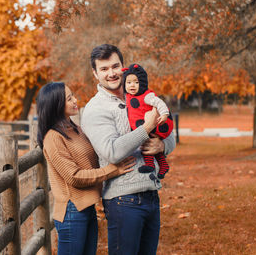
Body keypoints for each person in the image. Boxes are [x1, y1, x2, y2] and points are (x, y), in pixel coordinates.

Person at [81, 44, 176, 255]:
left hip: (151, 194)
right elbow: (111, 151)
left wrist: (162, 145)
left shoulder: (141, 95)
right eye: (104, 69)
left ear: (123, 67)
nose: (112, 73)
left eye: (115, 66)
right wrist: (147, 128)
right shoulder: (95, 109)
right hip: (123, 200)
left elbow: (170, 134)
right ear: (95, 74)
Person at [37, 82, 151, 254]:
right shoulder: (53, 138)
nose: (75, 100)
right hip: (71, 210)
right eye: (69, 98)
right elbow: (74, 176)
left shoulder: (76, 130)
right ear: (56, 104)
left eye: (73, 95)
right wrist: (113, 170)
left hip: (87, 207)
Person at [123, 63, 174, 179]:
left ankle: (150, 164)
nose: (132, 85)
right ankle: (163, 165)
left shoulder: (147, 96)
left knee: (147, 144)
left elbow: (159, 102)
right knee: (149, 143)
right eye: (129, 82)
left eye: (136, 82)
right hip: (143, 125)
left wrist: (165, 114)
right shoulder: (128, 97)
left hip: (154, 124)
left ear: (142, 83)